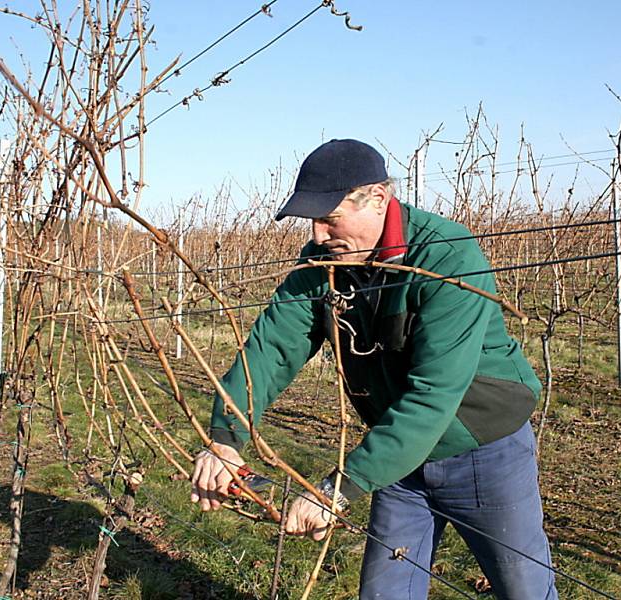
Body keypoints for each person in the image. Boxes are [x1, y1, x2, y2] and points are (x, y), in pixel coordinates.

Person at [190, 139, 558, 599]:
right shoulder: (323, 265)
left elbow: (434, 394)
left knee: (522, 586)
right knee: (386, 592)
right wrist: (225, 440)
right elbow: (270, 352)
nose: (319, 236)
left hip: (483, 449)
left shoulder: (446, 254)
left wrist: (337, 488)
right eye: (313, 222)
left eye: (330, 218)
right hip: (397, 457)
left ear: (379, 199)